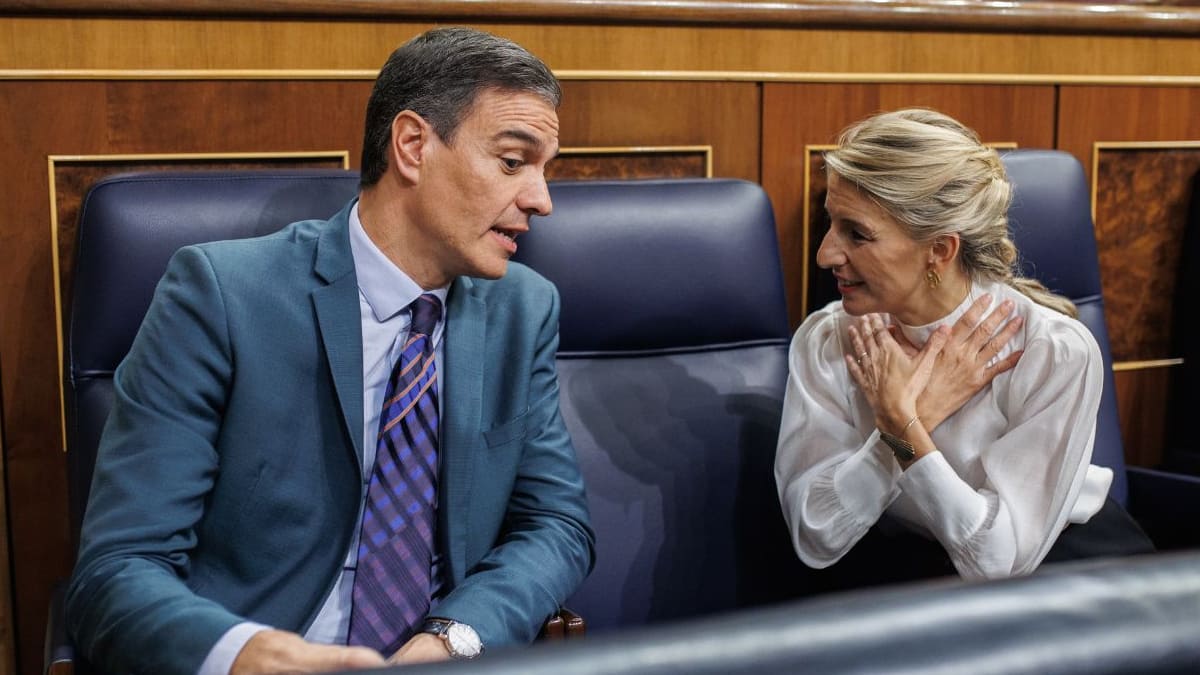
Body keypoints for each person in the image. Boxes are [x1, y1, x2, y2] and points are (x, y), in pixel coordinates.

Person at [66, 27, 595, 675]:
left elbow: (555, 523)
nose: (542, 199)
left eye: (546, 170)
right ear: (412, 144)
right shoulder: (220, 295)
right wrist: (245, 654)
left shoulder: (524, 307)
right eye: (514, 162)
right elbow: (117, 569)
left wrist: (454, 637)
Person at [774, 108, 1153, 591]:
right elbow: (816, 535)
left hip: (1064, 576)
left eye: (857, 233)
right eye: (831, 223)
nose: (825, 253)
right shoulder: (826, 339)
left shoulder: (1052, 350)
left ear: (940, 250)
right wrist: (913, 417)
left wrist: (904, 428)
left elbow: (998, 563)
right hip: (909, 567)